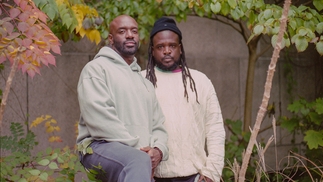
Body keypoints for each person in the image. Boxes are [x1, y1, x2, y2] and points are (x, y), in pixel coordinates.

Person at [76, 15, 168, 182]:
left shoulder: (145, 84)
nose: (130, 35)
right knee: (137, 161)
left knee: (138, 163)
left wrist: (157, 151)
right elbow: (100, 119)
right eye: (122, 31)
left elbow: (158, 125)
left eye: (134, 31)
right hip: (99, 147)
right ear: (111, 38)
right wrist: (139, 151)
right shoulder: (96, 69)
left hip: (137, 158)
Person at [142, 17, 226, 182]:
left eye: (172, 46)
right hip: (151, 175)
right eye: (160, 47)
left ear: (180, 48)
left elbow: (215, 129)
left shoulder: (200, 81)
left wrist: (212, 173)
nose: (167, 51)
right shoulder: (141, 81)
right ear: (152, 50)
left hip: (195, 175)